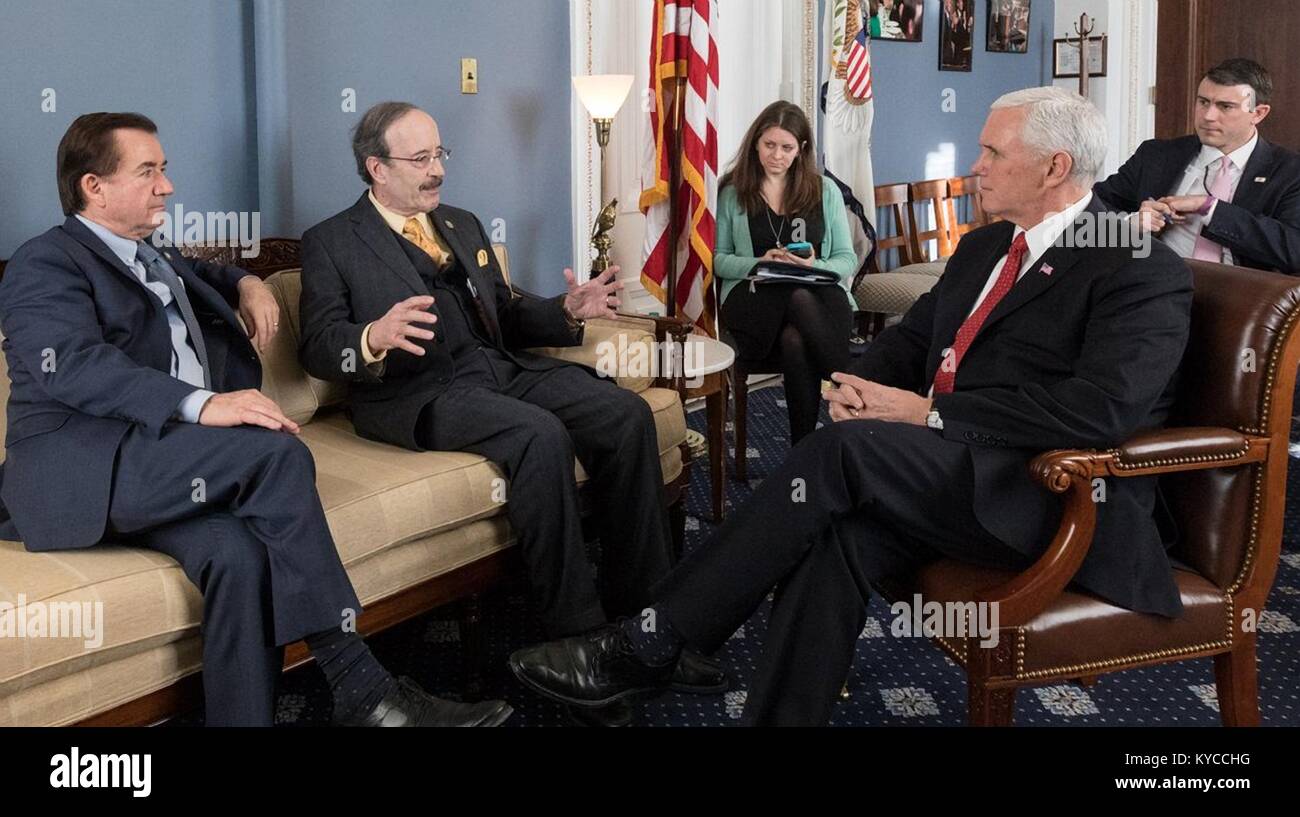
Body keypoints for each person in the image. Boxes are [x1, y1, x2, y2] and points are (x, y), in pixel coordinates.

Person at [508, 87, 1194, 726]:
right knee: (839, 532)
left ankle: (646, 645)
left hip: (1048, 493)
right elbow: (914, 339)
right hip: (953, 473)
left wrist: (924, 415)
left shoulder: (1137, 265)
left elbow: (1098, 410)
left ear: (1055, 168)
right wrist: (856, 386)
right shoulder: (987, 246)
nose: (974, 165)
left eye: (992, 153)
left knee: (841, 455)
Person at [0, 112, 510, 727]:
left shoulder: (150, 251)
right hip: (90, 468)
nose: (167, 185)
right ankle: (360, 686)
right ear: (94, 187)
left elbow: (207, 274)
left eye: (164, 169)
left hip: (164, 462)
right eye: (148, 171)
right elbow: (74, 367)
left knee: (238, 557)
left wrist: (249, 282)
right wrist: (205, 403)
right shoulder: (45, 263)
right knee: (275, 453)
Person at [296, 101, 725, 727]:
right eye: (421, 159)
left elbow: (506, 314)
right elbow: (316, 345)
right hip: (416, 395)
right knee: (539, 437)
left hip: (498, 370)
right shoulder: (331, 240)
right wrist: (371, 338)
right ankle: (578, 641)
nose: (437, 169)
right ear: (375, 169)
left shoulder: (462, 224)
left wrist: (568, 309)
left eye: (441, 154)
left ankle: (646, 634)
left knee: (626, 417)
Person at [714, 101, 858, 444]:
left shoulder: (825, 191)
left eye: (787, 147)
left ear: (801, 149)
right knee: (797, 296)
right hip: (752, 301)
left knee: (796, 338)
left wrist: (812, 266)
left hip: (814, 301)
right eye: (769, 145)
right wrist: (759, 263)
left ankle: (802, 449)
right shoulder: (732, 192)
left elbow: (846, 260)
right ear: (755, 144)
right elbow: (718, 259)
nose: (776, 155)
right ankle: (850, 385)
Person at [1093, 58, 1300, 274]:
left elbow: (1294, 250)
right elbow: (1090, 208)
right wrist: (1131, 223)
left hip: (1240, 296)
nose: (1208, 116)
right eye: (1203, 102)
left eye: (1225, 106)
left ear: (1258, 113)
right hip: (1154, 285)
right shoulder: (1156, 156)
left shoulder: (1290, 172)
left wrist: (1210, 209)